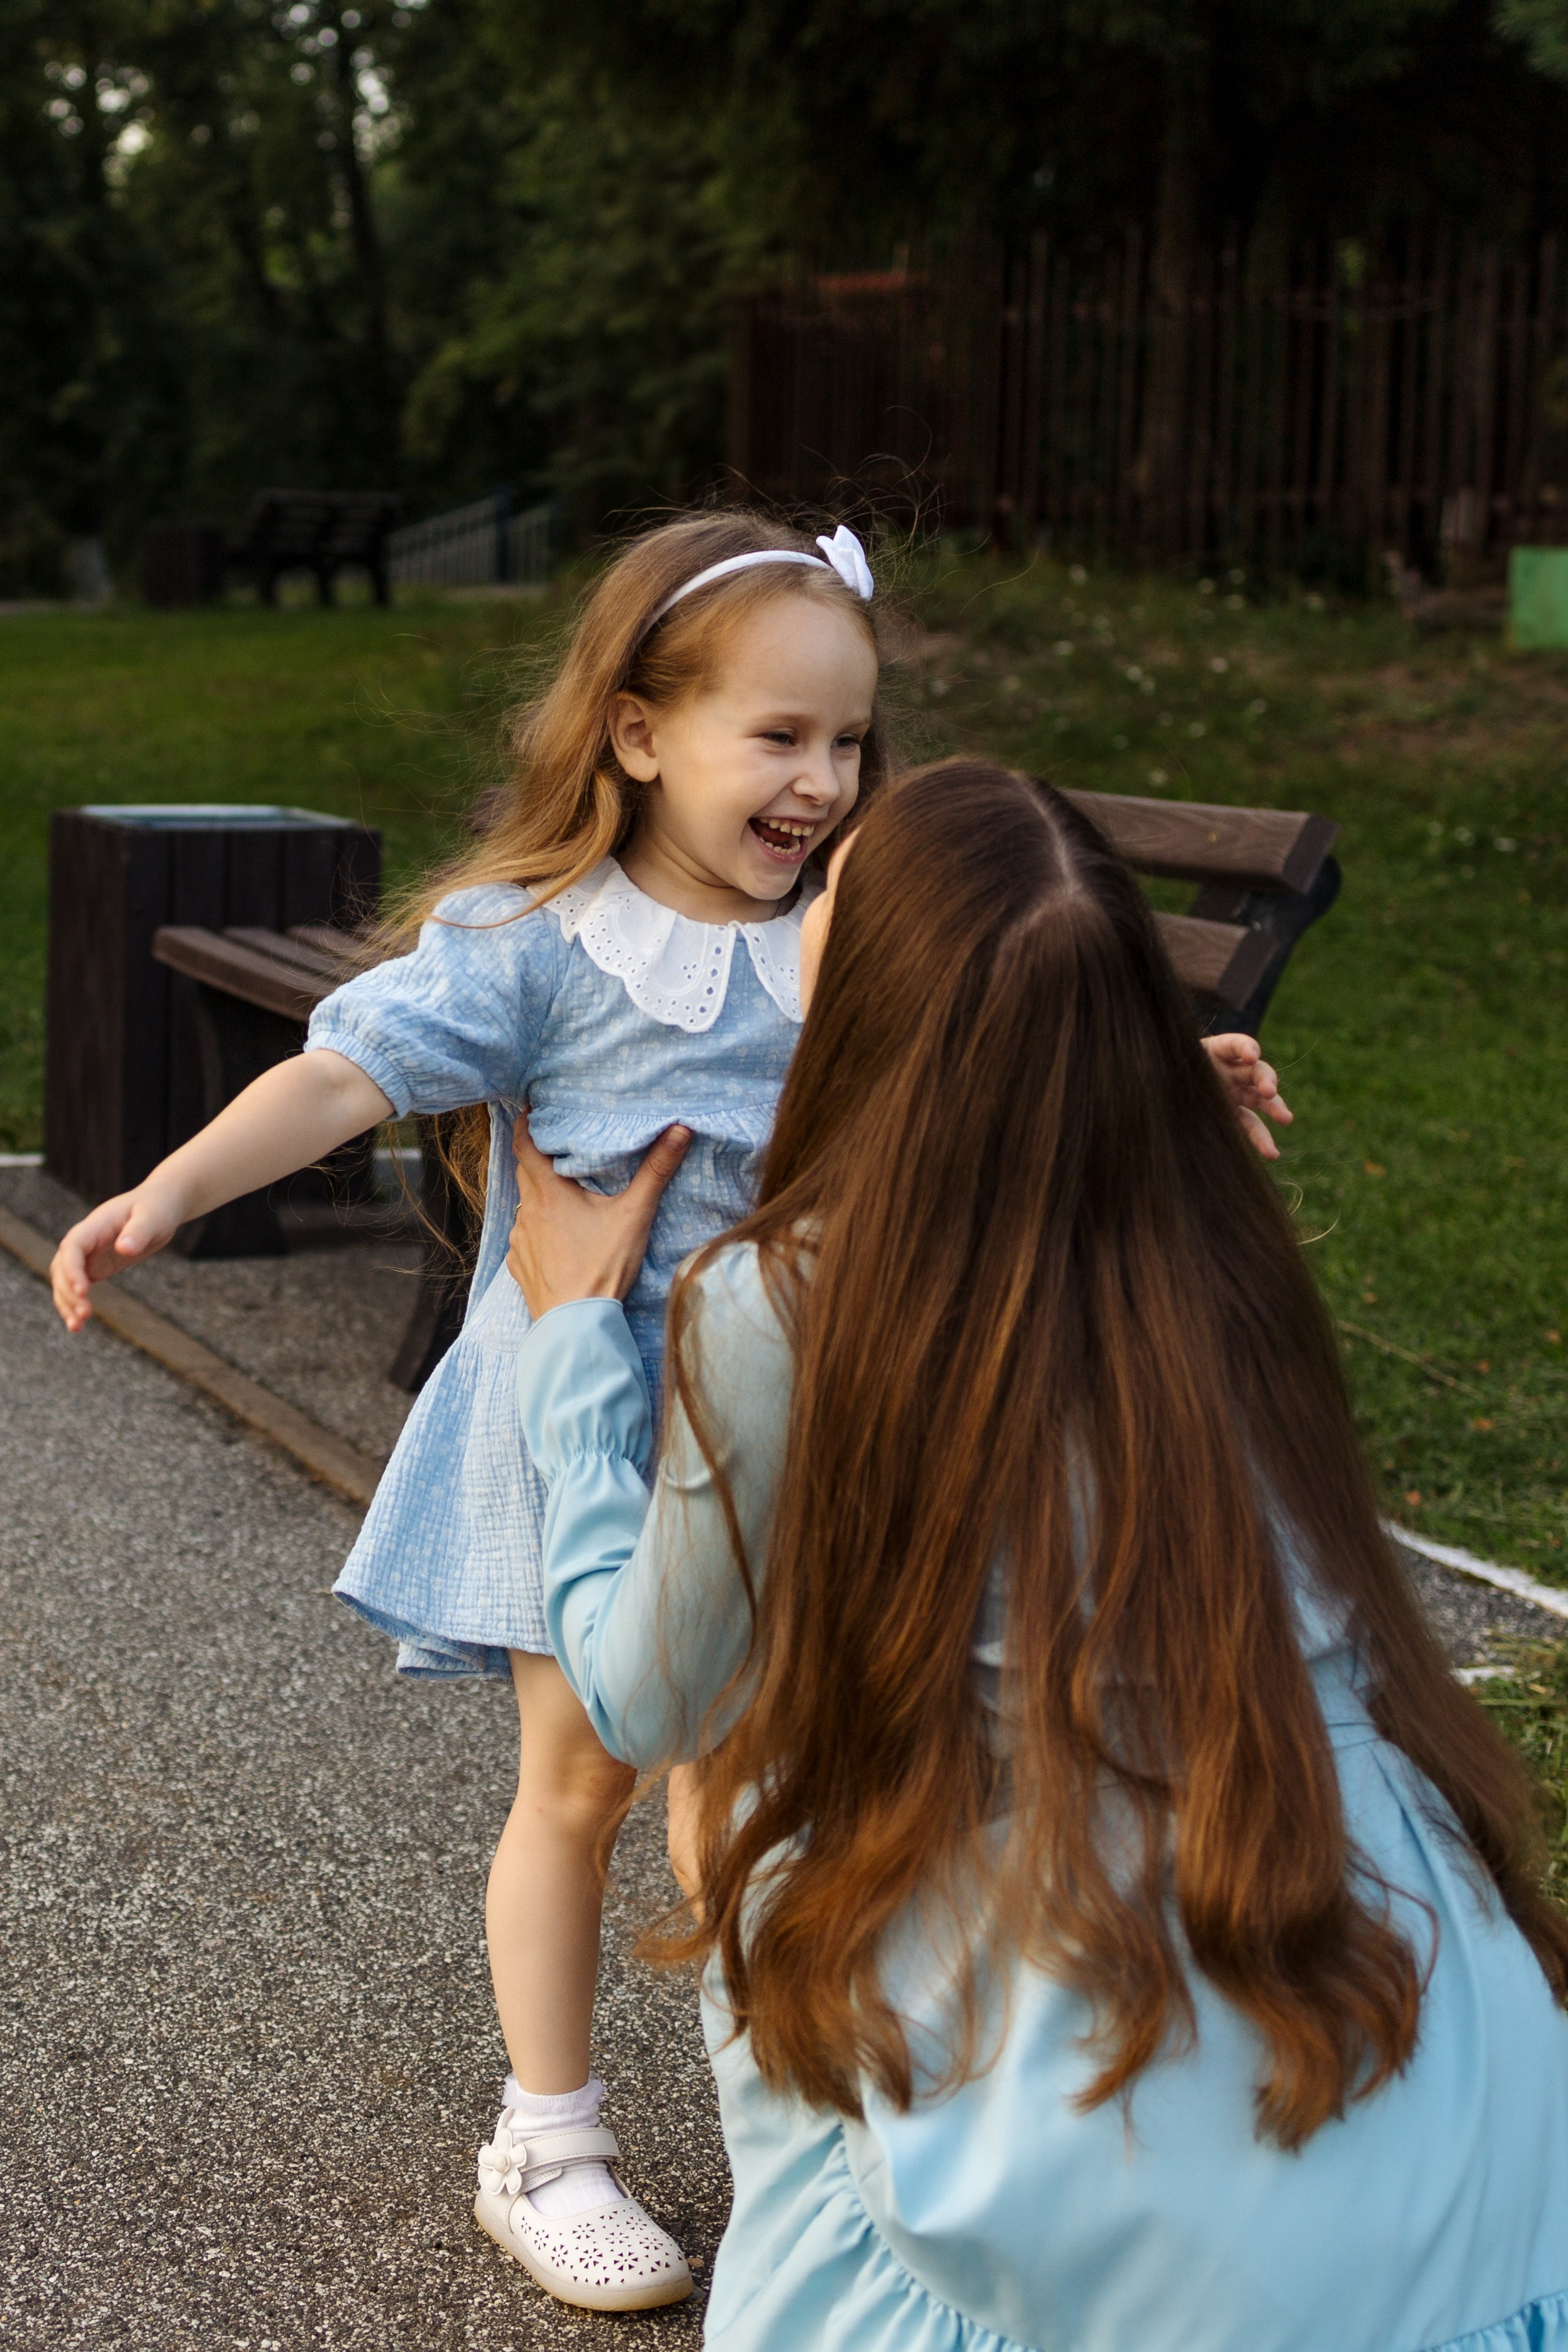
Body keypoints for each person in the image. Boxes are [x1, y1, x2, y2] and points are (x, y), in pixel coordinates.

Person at [48, 525, 1286, 2315]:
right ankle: (543, 2136)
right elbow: (345, 1066)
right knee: (582, 1778)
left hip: (798, 1431)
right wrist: (164, 1189)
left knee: (760, 1802)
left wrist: (1170, 1073)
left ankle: (794, 2101)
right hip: (591, 1435)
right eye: (777, 735)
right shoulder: (542, 948)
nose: (822, 780)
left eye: (849, 742)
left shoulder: (861, 939)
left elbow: (1017, 1058)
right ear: (635, 733)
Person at [505, 759, 1568, 2352]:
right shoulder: (1212, 1227)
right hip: (1441, 2045)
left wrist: (576, 1354)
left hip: (1077, 2069)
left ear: (860, 984)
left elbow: (651, 1694)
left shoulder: (784, 1297)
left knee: (734, 1812)